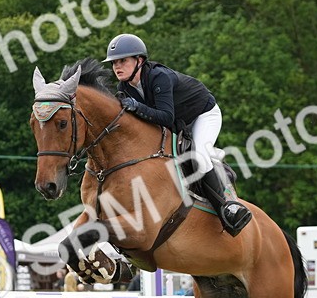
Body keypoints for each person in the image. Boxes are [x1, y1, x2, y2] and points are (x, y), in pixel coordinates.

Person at [104, 33, 252, 236]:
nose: (117, 67)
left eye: (123, 61)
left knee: (199, 154)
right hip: (178, 123)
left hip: (202, 114)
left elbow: (165, 116)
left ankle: (227, 209)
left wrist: (137, 107)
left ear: (139, 60)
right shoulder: (124, 87)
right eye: (114, 63)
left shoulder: (158, 77)